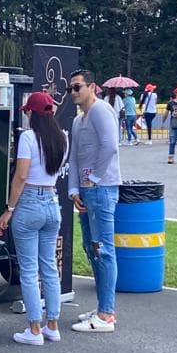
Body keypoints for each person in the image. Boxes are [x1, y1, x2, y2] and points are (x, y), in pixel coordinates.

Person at [0, 91, 66, 346]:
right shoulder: (62, 139)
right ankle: (53, 325)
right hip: (52, 201)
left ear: (31, 113)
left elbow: (21, 176)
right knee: (48, 266)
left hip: (29, 202)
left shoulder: (27, 137)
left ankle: (34, 328)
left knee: (28, 269)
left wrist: (9, 208)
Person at [65, 70, 120, 333]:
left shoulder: (101, 110)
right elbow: (74, 156)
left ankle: (106, 313)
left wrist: (95, 179)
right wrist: (74, 189)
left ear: (92, 87)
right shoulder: (78, 121)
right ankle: (102, 307)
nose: (74, 92)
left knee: (103, 248)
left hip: (103, 188)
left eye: (77, 87)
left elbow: (110, 146)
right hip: (87, 190)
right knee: (91, 247)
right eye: (70, 89)